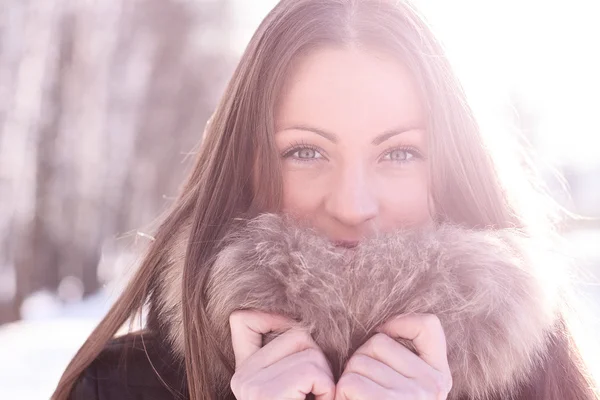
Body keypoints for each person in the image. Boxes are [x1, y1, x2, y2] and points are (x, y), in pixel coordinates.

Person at [53, 0, 599, 399]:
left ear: (455, 168)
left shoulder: (546, 383)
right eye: (306, 152)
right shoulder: (118, 386)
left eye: (400, 153)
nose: (352, 204)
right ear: (245, 165)